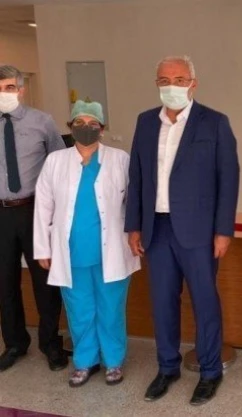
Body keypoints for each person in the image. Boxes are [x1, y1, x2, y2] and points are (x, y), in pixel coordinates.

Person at [125, 56, 240, 405]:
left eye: (179, 79)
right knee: (162, 302)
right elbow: (137, 176)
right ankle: (167, 367)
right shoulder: (146, 122)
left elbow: (228, 179)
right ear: (156, 84)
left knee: (204, 302)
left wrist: (223, 230)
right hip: (156, 228)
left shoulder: (215, 122)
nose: (171, 86)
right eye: (164, 80)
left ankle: (210, 371)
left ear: (193, 83)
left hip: (199, 231)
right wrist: (133, 225)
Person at [34, 100, 140, 387]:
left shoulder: (120, 159)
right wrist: (42, 248)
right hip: (71, 251)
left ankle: (113, 361)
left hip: (112, 250)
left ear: (102, 129)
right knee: (79, 309)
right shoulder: (56, 161)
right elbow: (43, 206)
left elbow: (134, 203)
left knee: (111, 308)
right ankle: (84, 361)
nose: (86, 128)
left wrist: (136, 234)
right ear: (70, 127)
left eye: (93, 124)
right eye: (79, 123)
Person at [0, 64, 67, 372]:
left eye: (9, 87)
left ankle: (51, 343)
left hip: (35, 211)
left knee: (45, 280)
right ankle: (15, 343)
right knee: (5, 282)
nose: (4, 93)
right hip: (1, 213)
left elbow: (60, 166)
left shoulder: (43, 122)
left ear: (21, 89)